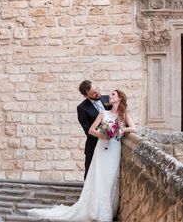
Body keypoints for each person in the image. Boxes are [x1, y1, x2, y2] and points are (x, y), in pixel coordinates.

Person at [27, 89, 136, 222]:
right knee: (99, 177)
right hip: (101, 148)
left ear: (119, 98)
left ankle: (107, 209)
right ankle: (96, 210)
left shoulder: (124, 114)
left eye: (113, 94)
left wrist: (119, 130)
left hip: (114, 148)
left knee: (111, 178)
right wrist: (102, 134)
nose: (110, 96)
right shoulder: (103, 113)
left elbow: (134, 128)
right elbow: (91, 130)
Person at [76, 80, 110, 179]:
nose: (97, 93)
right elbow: (88, 131)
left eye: (97, 89)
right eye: (93, 93)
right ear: (86, 96)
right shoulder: (82, 108)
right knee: (90, 174)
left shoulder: (108, 98)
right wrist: (104, 134)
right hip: (94, 145)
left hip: (111, 145)